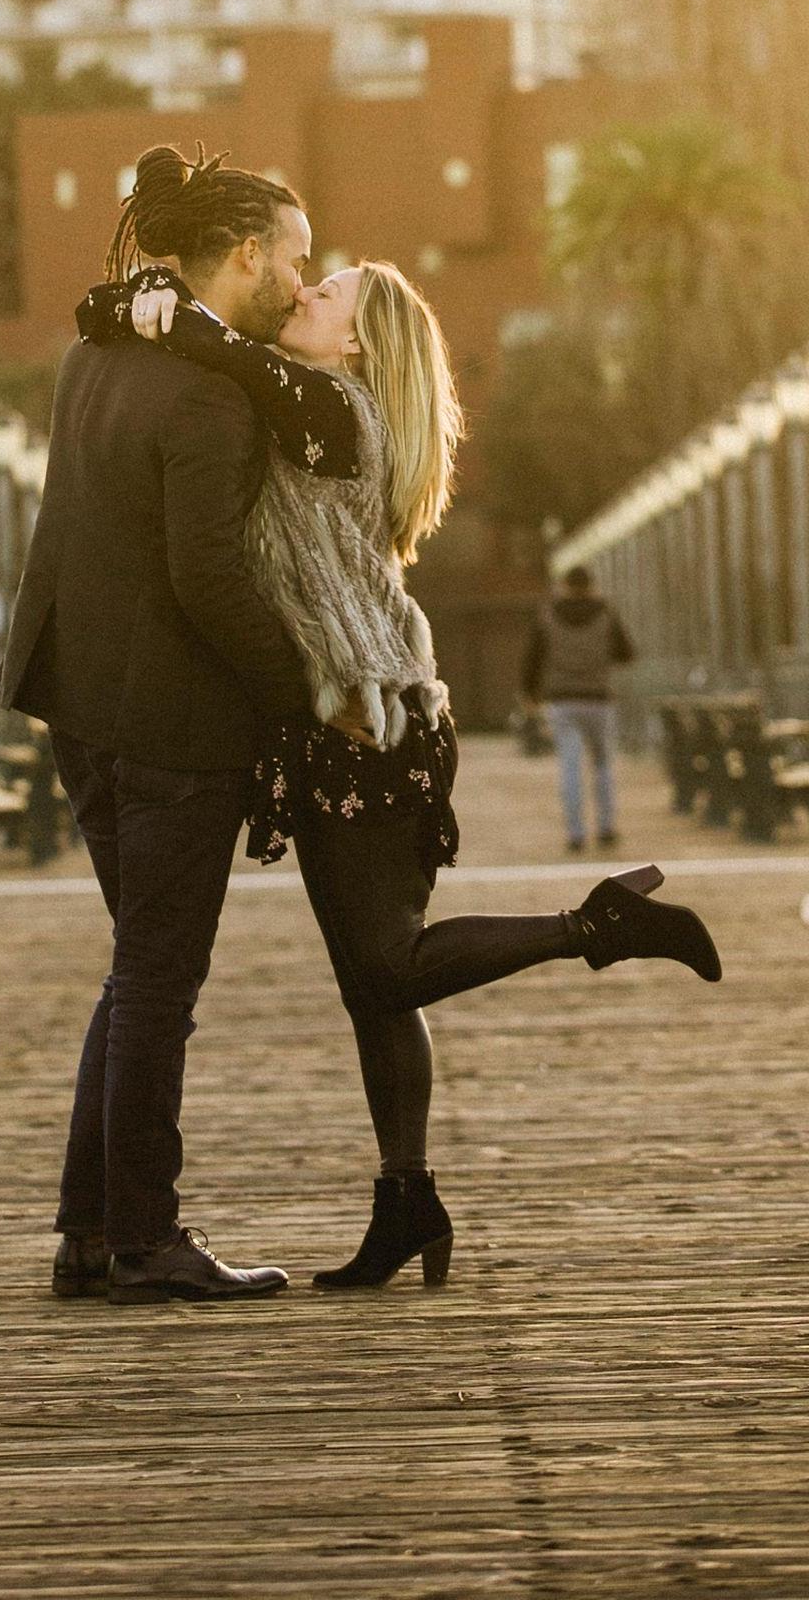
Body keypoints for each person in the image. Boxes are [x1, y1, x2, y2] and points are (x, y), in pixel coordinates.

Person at [80, 257, 722, 1297]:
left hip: (370, 722)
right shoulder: (311, 404)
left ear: (358, 343)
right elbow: (196, 343)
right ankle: (406, 1199)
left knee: (386, 968)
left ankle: (596, 924)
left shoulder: (333, 411)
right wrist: (126, 299)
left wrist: (151, 305)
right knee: (371, 987)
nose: (303, 294)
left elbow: (216, 347)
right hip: (358, 716)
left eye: (325, 293)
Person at [0, 145, 345, 1305]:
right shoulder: (210, 394)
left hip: (79, 702)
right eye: (295, 259)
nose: (303, 281)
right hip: (170, 727)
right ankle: (145, 1238)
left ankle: (92, 1232)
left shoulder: (96, 355)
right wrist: (304, 693)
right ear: (243, 255)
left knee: (135, 970)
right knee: (156, 982)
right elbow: (209, 580)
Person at [521, 562, 639, 854]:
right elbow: (626, 653)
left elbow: (532, 659)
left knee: (570, 766)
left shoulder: (548, 614)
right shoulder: (606, 612)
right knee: (602, 765)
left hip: (562, 700)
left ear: (565, 586)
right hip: (598, 699)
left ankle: (575, 834)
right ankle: (606, 828)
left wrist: (530, 694)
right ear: (591, 585)